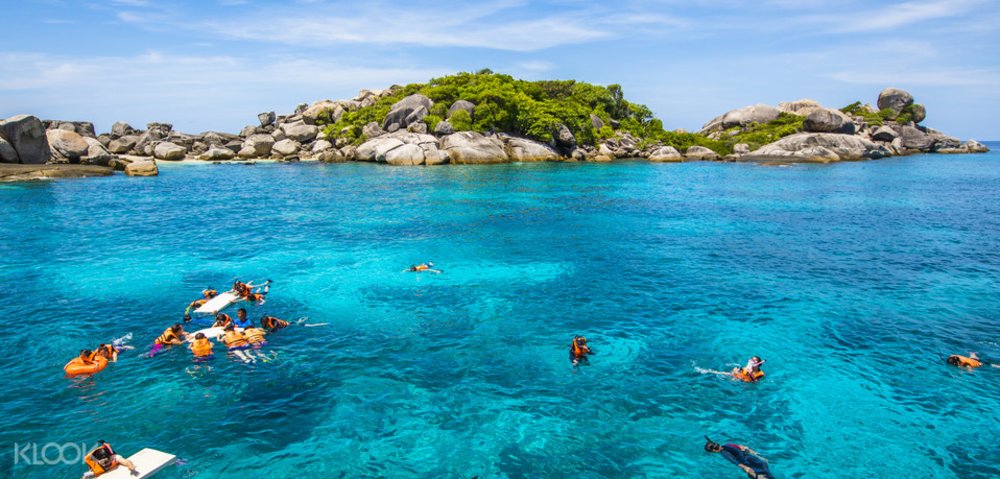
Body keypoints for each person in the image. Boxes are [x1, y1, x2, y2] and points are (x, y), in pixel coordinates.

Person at [704, 436, 773, 479]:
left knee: (755, 476)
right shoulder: (728, 445)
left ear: (713, 451)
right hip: (755, 460)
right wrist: (760, 457)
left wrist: (748, 470)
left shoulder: (724, 454)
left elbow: (734, 461)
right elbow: (745, 448)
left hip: (750, 464)